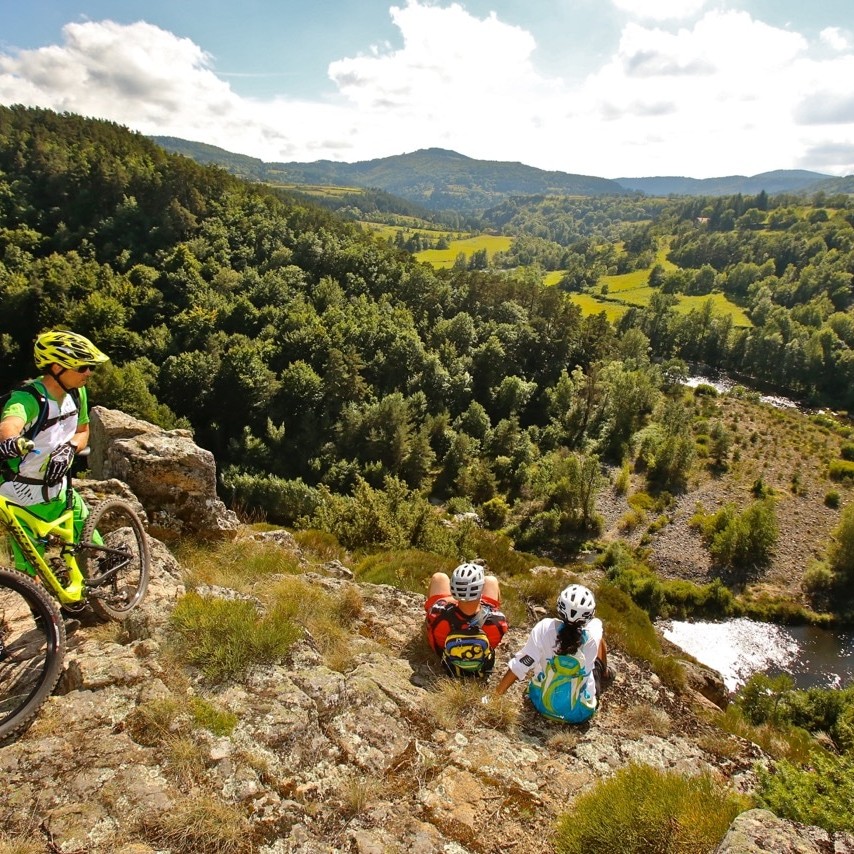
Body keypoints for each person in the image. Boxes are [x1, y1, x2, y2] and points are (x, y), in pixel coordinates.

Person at [0, 329, 109, 576]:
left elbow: (83, 431)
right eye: (83, 367)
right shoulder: (27, 399)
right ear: (58, 367)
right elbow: (9, 425)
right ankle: (45, 615)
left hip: (61, 492)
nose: (88, 372)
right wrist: (11, 441)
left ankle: (107, 593)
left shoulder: (76, 392)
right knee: (28, 572)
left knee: (94, 547)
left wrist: (70, 448)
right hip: (21, 499)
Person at [492, 583, 610, 723]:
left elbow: (522, 663)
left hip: (542, 704)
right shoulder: (592, 634)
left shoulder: (544, 628)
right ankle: (605, 673)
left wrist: (494, 696)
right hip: (579, 712)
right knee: (595, 660)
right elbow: (596, 626)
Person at [425, 562, 508, 678]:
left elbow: (431, 620)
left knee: (440, 577)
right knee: (491, 581)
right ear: (481, 590)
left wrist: (451, 600)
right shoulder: (498, 621)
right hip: (480, 657)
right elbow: (494, 644)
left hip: (444, 654)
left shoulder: (437, 613)